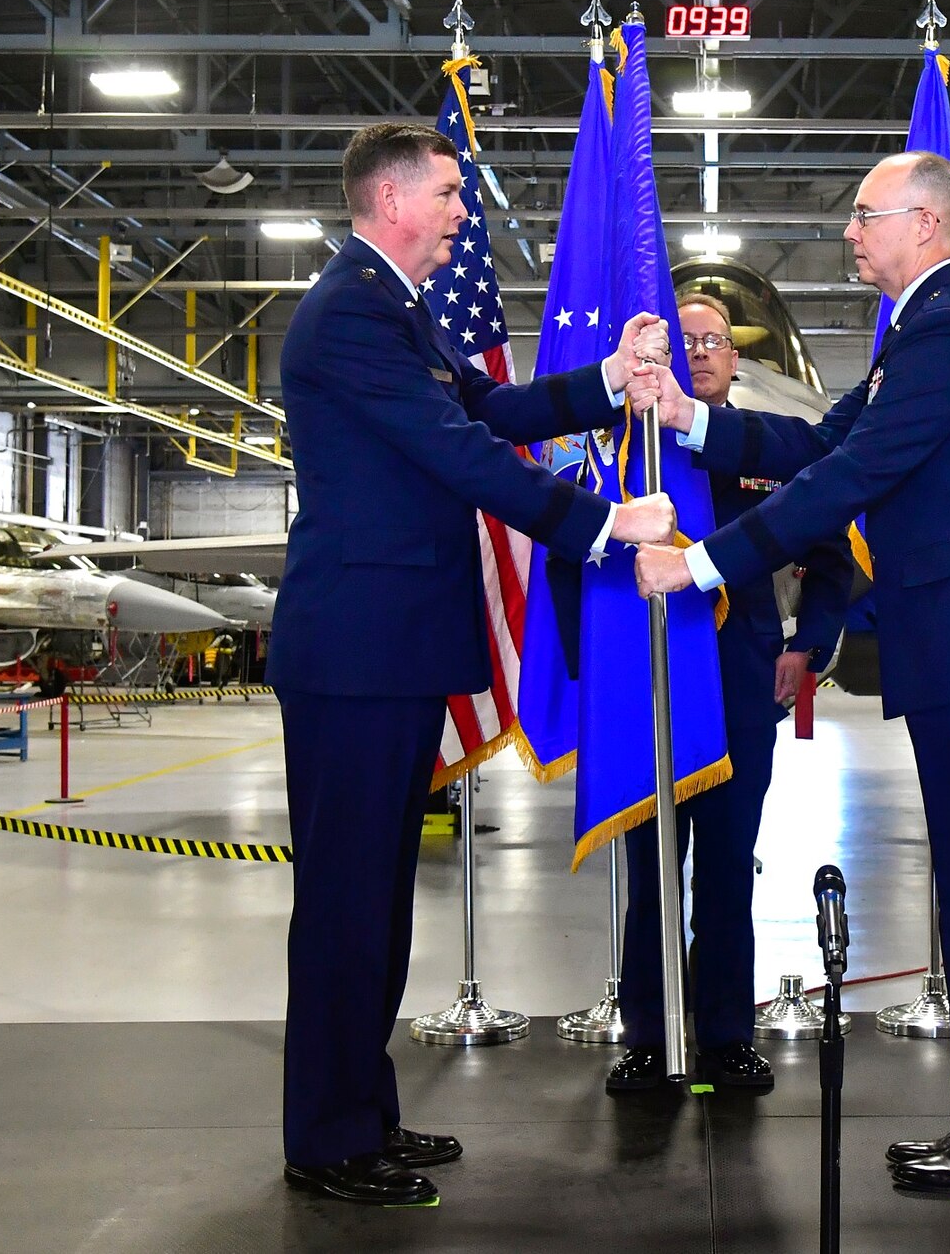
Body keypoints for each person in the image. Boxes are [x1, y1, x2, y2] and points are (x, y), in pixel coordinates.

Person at [633, 152, 950, 1197]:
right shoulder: (916, 335)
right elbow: (820, 437)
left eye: (864, 216)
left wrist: (698, 563)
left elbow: (847, 476)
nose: (848, 233)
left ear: (924, 223)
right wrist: (689, 417)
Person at [267, 121, 676, 1207]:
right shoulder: (353, 310)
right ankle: (326, 1138)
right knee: (347, 906)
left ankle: (363, 1113)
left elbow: (488, 407)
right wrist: (603, 525)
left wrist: (604, 380)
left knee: (377, 902)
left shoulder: (392, 309)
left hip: (385, 651)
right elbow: (459, 453)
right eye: (450, 193)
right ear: (393, 199)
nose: (462, 210)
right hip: (356, 654)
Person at [604, 293, 854, 1095]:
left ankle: (722, 1036)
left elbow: (830, 558)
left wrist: (808, 646)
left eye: (714, 340)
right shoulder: (632, 456)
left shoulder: (766, 450)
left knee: (723, 871)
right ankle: (646, 1035)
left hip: (741, 688)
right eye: (687, 340)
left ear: (733, 359)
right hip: (652, 693)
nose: (702, 352)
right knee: (651, 873)